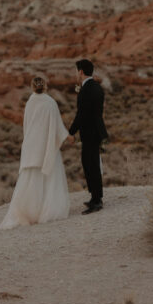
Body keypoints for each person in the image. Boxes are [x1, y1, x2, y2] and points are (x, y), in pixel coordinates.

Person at [0, 75, 72, 230]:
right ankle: (47, 211)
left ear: (32, 87)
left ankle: (29, 212)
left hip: (32, 145)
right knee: (50, 177)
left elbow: (27, 126)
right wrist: (67, 136)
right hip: (47, 146)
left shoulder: (30, 102)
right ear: (45, 86)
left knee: (31, 180)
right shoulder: (51, 102)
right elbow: (58, 126)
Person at [68, 59, 108, 214]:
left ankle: (96, 200)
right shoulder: (97, 87)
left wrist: (71, 132)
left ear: (81, 72)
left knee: (90, 165)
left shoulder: (86, 90)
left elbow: (81, 115)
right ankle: (95, 197)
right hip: (96, 130)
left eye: (76, 71)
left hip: (90, 132)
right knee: (91, 163)